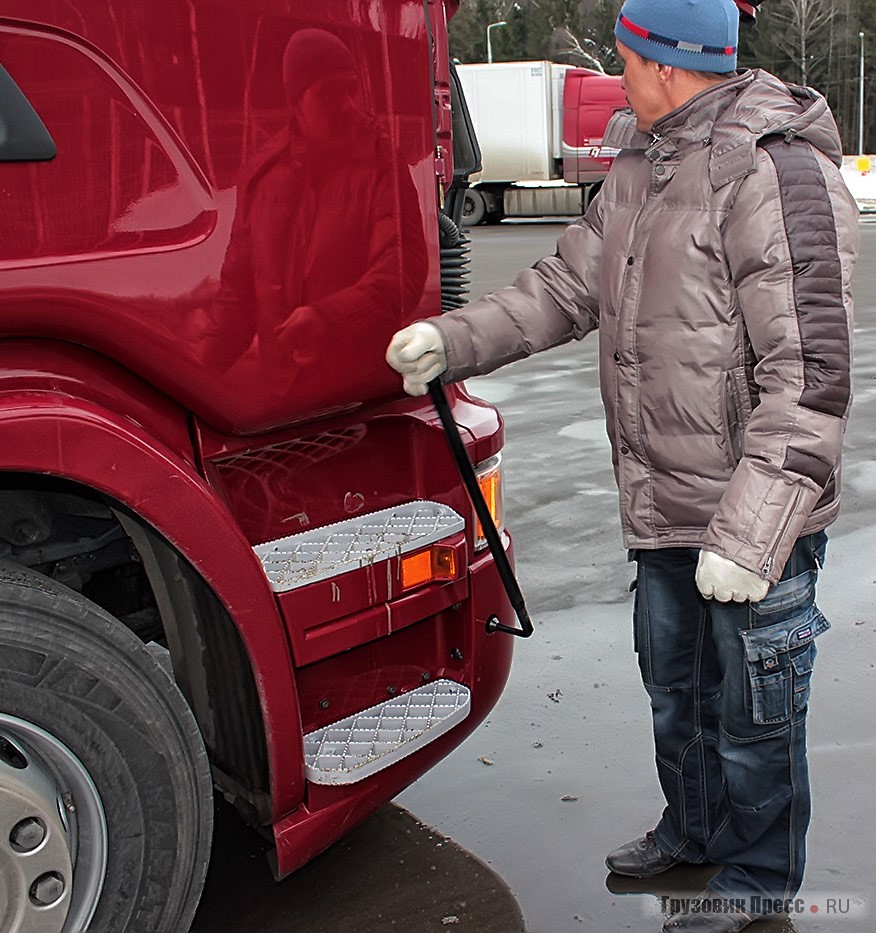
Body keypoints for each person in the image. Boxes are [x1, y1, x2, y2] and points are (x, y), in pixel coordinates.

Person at [384, 0, 859, 930]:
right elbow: (564, 286)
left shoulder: (776, 170)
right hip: (664, 508)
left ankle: (759, 880)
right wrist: (451, 340)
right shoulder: (643, 164)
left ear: (667, 65)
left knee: (756, 717)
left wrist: (752, 532)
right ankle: (693, 833)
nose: (618, 75)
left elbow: (811, 377)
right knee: (676, 694)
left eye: (628, 57)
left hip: (752, 521)